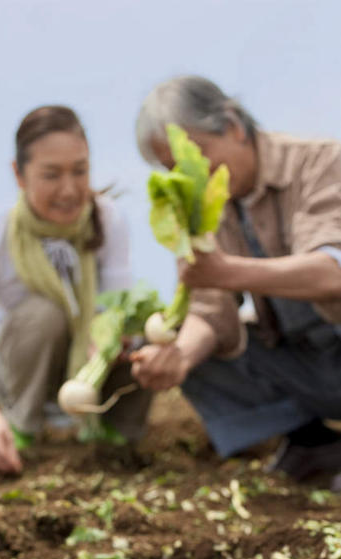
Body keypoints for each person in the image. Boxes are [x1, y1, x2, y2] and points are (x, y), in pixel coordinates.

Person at [131, 75, 341, 488]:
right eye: (173, 169)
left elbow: (332, 270)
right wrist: (180, 357)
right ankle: (314, 446)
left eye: (196, 156)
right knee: (186, 346)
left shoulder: (321, 163)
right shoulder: (204, 207)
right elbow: (209, 310)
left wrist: (227, 271)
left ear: (232, 125)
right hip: (311, 363)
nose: (189, 177)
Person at [0, 105, 151, 474]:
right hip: (21, 374)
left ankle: (113, 435)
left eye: (80, 171)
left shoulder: (108, 220)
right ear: (19, 175)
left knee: (147, 329)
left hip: (91, 370)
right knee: (44, 315)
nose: (69, 189)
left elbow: (118, 300)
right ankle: (20, 426)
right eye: (51, 175)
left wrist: (109, 337)